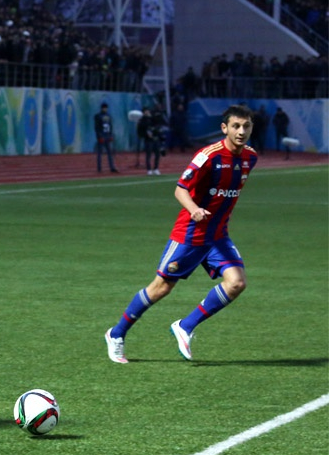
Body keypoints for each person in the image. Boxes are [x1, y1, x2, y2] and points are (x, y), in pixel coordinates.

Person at [105, 105, 257, 364]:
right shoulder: (208, 156)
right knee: (161, 287)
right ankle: (116, 334)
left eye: (246, 126)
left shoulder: (250, 158)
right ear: (224, 128)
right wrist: (194, 209)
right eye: (236, 126)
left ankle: (185, 326)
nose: (241, 131)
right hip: (190, 234)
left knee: (237, 283)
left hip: (218, 236)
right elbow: (180, 189)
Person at [93, 102, 119, 173]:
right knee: (100, 153)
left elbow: (110, 126)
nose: (105, 109)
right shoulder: (98, 116)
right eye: (104, 108)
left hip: (107, 136)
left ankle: (112, 167)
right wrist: (99, 136)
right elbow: (97, 127)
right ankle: (99, 168)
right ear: (102, 108)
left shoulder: (108, 116)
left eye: (106, 108)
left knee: (110, 153)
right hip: (102, 136)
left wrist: (111, 135)